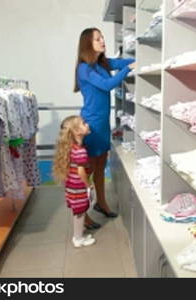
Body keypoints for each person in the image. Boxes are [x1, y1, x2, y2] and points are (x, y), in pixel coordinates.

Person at [74, 27, 135, 223]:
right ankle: (83, 215)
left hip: (102, 125)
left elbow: (121, 62)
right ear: (87, 44)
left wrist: (136, 61)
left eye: (102, 38)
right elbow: (108, 85)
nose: (103, 41)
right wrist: (128, 69)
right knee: (88, 172)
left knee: (101, 167)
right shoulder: (84, 68)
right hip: (90, 126)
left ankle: (101, 203)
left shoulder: (102, 63)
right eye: (97, 39)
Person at [52, 116, 96, 248]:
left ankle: (79, 234)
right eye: (84, 123)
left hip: (71, 186)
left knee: (78, 212)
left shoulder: (72, 148)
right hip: (79, 187)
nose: (87, 124)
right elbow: (81, 171)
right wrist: (88, 185)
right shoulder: (81, 151)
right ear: (77, 131)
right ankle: (78, 238)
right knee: (80, 213)